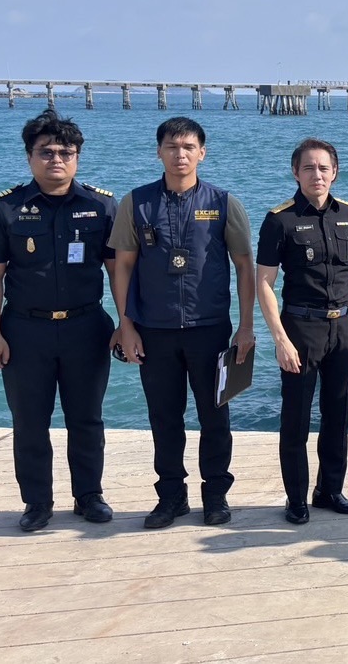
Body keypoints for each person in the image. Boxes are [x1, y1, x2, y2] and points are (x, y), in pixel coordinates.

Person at [0, 108, 118, 531]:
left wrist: (126, 324)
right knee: (30, 422)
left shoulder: (101, 205)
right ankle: (37, 502)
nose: (56, 159)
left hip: (86, 327)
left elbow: (118, 271)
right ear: (30, 157)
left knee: (87, 418)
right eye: (46, 152)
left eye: (65, 152)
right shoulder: (6, 207)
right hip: (24, 330)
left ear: (77, 158)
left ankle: (89, 495)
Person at [108, 117, 256, 529]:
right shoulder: (136, 203)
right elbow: (123, 267)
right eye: (172, 147)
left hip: (210, 329)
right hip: (153, 329)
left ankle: (216, 495)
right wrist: (126, 325)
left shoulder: (224, 203)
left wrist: (246, 326)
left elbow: (245, 266)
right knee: (164, 418)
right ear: (159, 151)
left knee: (215, 417)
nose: (180, 154)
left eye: (189, 147)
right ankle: (171, 496)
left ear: (202, 153)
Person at [256, 138, 348, 525]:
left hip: (344, 327)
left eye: (324, 168)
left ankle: (329, 490)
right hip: (300, 328)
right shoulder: (280, 220)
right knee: (296, 419)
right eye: (308, 168)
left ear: (335, 172)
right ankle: (296, 499)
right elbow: (264, 283)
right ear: (296, 172)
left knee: (338, 415)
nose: (317, 175)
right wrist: (280, 339)